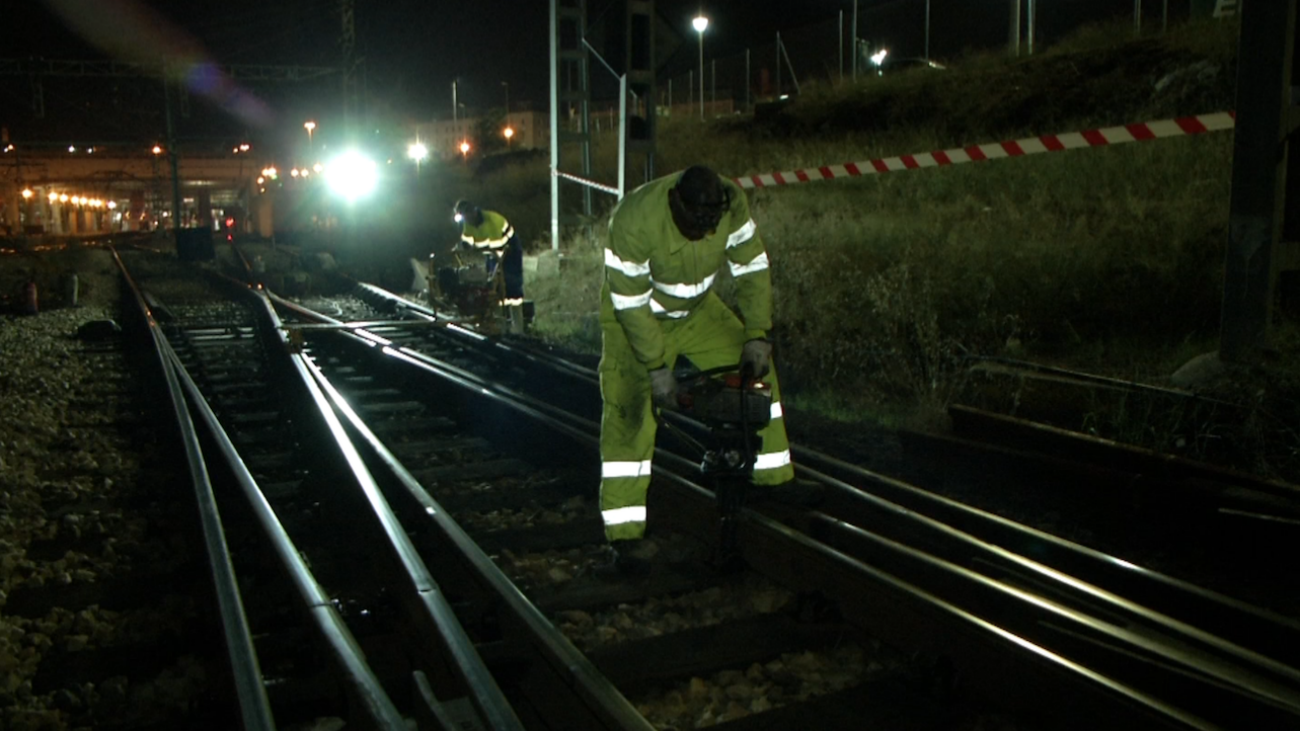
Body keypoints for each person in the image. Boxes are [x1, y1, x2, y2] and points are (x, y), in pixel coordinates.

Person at [598, 164, 809, 574]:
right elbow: (629, 304)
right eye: (694, 222)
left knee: (759, 377)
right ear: (675, 203)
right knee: (630, 416)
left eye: (710, 223)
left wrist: (757, 333)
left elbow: (751, 266)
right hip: (636, 321)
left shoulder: (731, 205)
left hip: (698, 312)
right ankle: (625, 539)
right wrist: (657, 368)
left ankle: (774, 477)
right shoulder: (633, 220)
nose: (704, 231)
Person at [453, 199, 525, 326]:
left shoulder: (492, 221)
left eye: (466, 217)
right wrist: (460, 248)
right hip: (492, 254)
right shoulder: (468, 223)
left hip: (510, 251)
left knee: (511, 288)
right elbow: (467, 241)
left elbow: (499, 251)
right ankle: (498, 324)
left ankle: (517, 326)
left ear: (473, 212)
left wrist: (495, 272)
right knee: (493, 289)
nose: (466, 221)